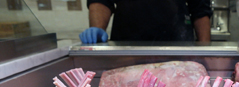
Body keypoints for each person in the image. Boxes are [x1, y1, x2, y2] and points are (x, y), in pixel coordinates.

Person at [80, 0, 212, 44]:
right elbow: (102, 1)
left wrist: (205, 52)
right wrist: (98, 29)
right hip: (125, 48)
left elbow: (200, 9)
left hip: (177, 45)